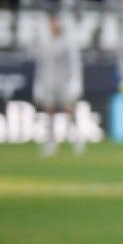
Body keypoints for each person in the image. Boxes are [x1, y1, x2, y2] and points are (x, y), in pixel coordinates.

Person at [31, 9, 84, 158]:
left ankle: (76, 138)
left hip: (64, 81)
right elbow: (41, 65)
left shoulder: (67, 42)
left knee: (68, 110)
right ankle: (51, 141)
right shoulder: (45, 42)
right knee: (49, 111)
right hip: (49, 81)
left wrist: (76, 80)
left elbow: (74, 63)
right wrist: (38, 83)